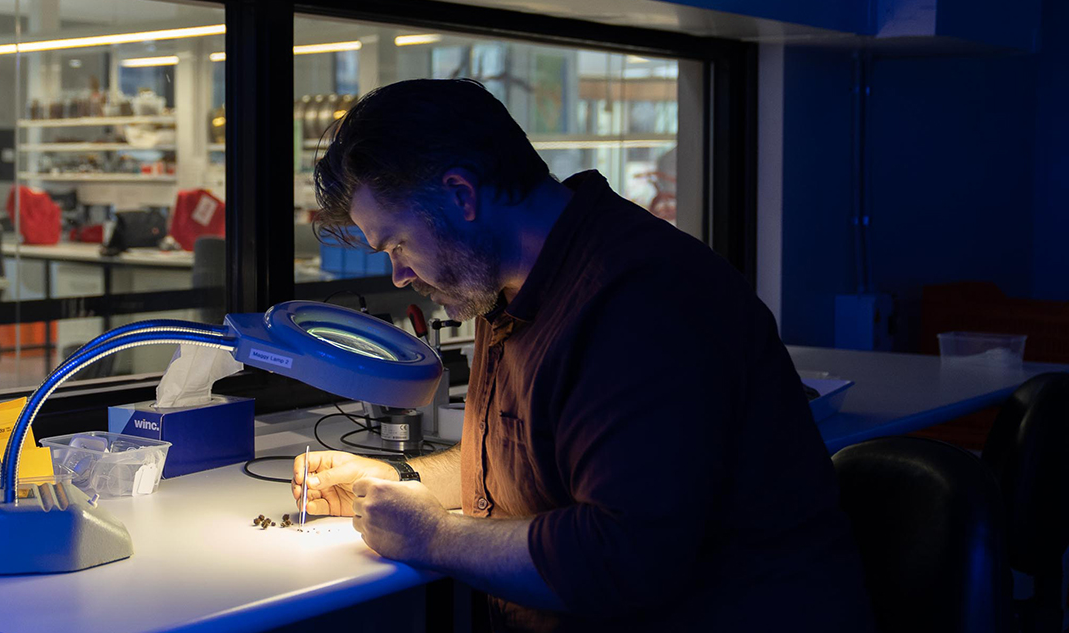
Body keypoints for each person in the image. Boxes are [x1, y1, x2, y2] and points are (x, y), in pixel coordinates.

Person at [293, 78, 873, 632]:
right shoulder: (510, 286)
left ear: (461, 195)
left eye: (397, 243)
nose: (397, 275)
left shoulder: (642, 299)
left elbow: (622, 559)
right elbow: (529, 466)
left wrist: (433, 537)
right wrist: (399, 477)